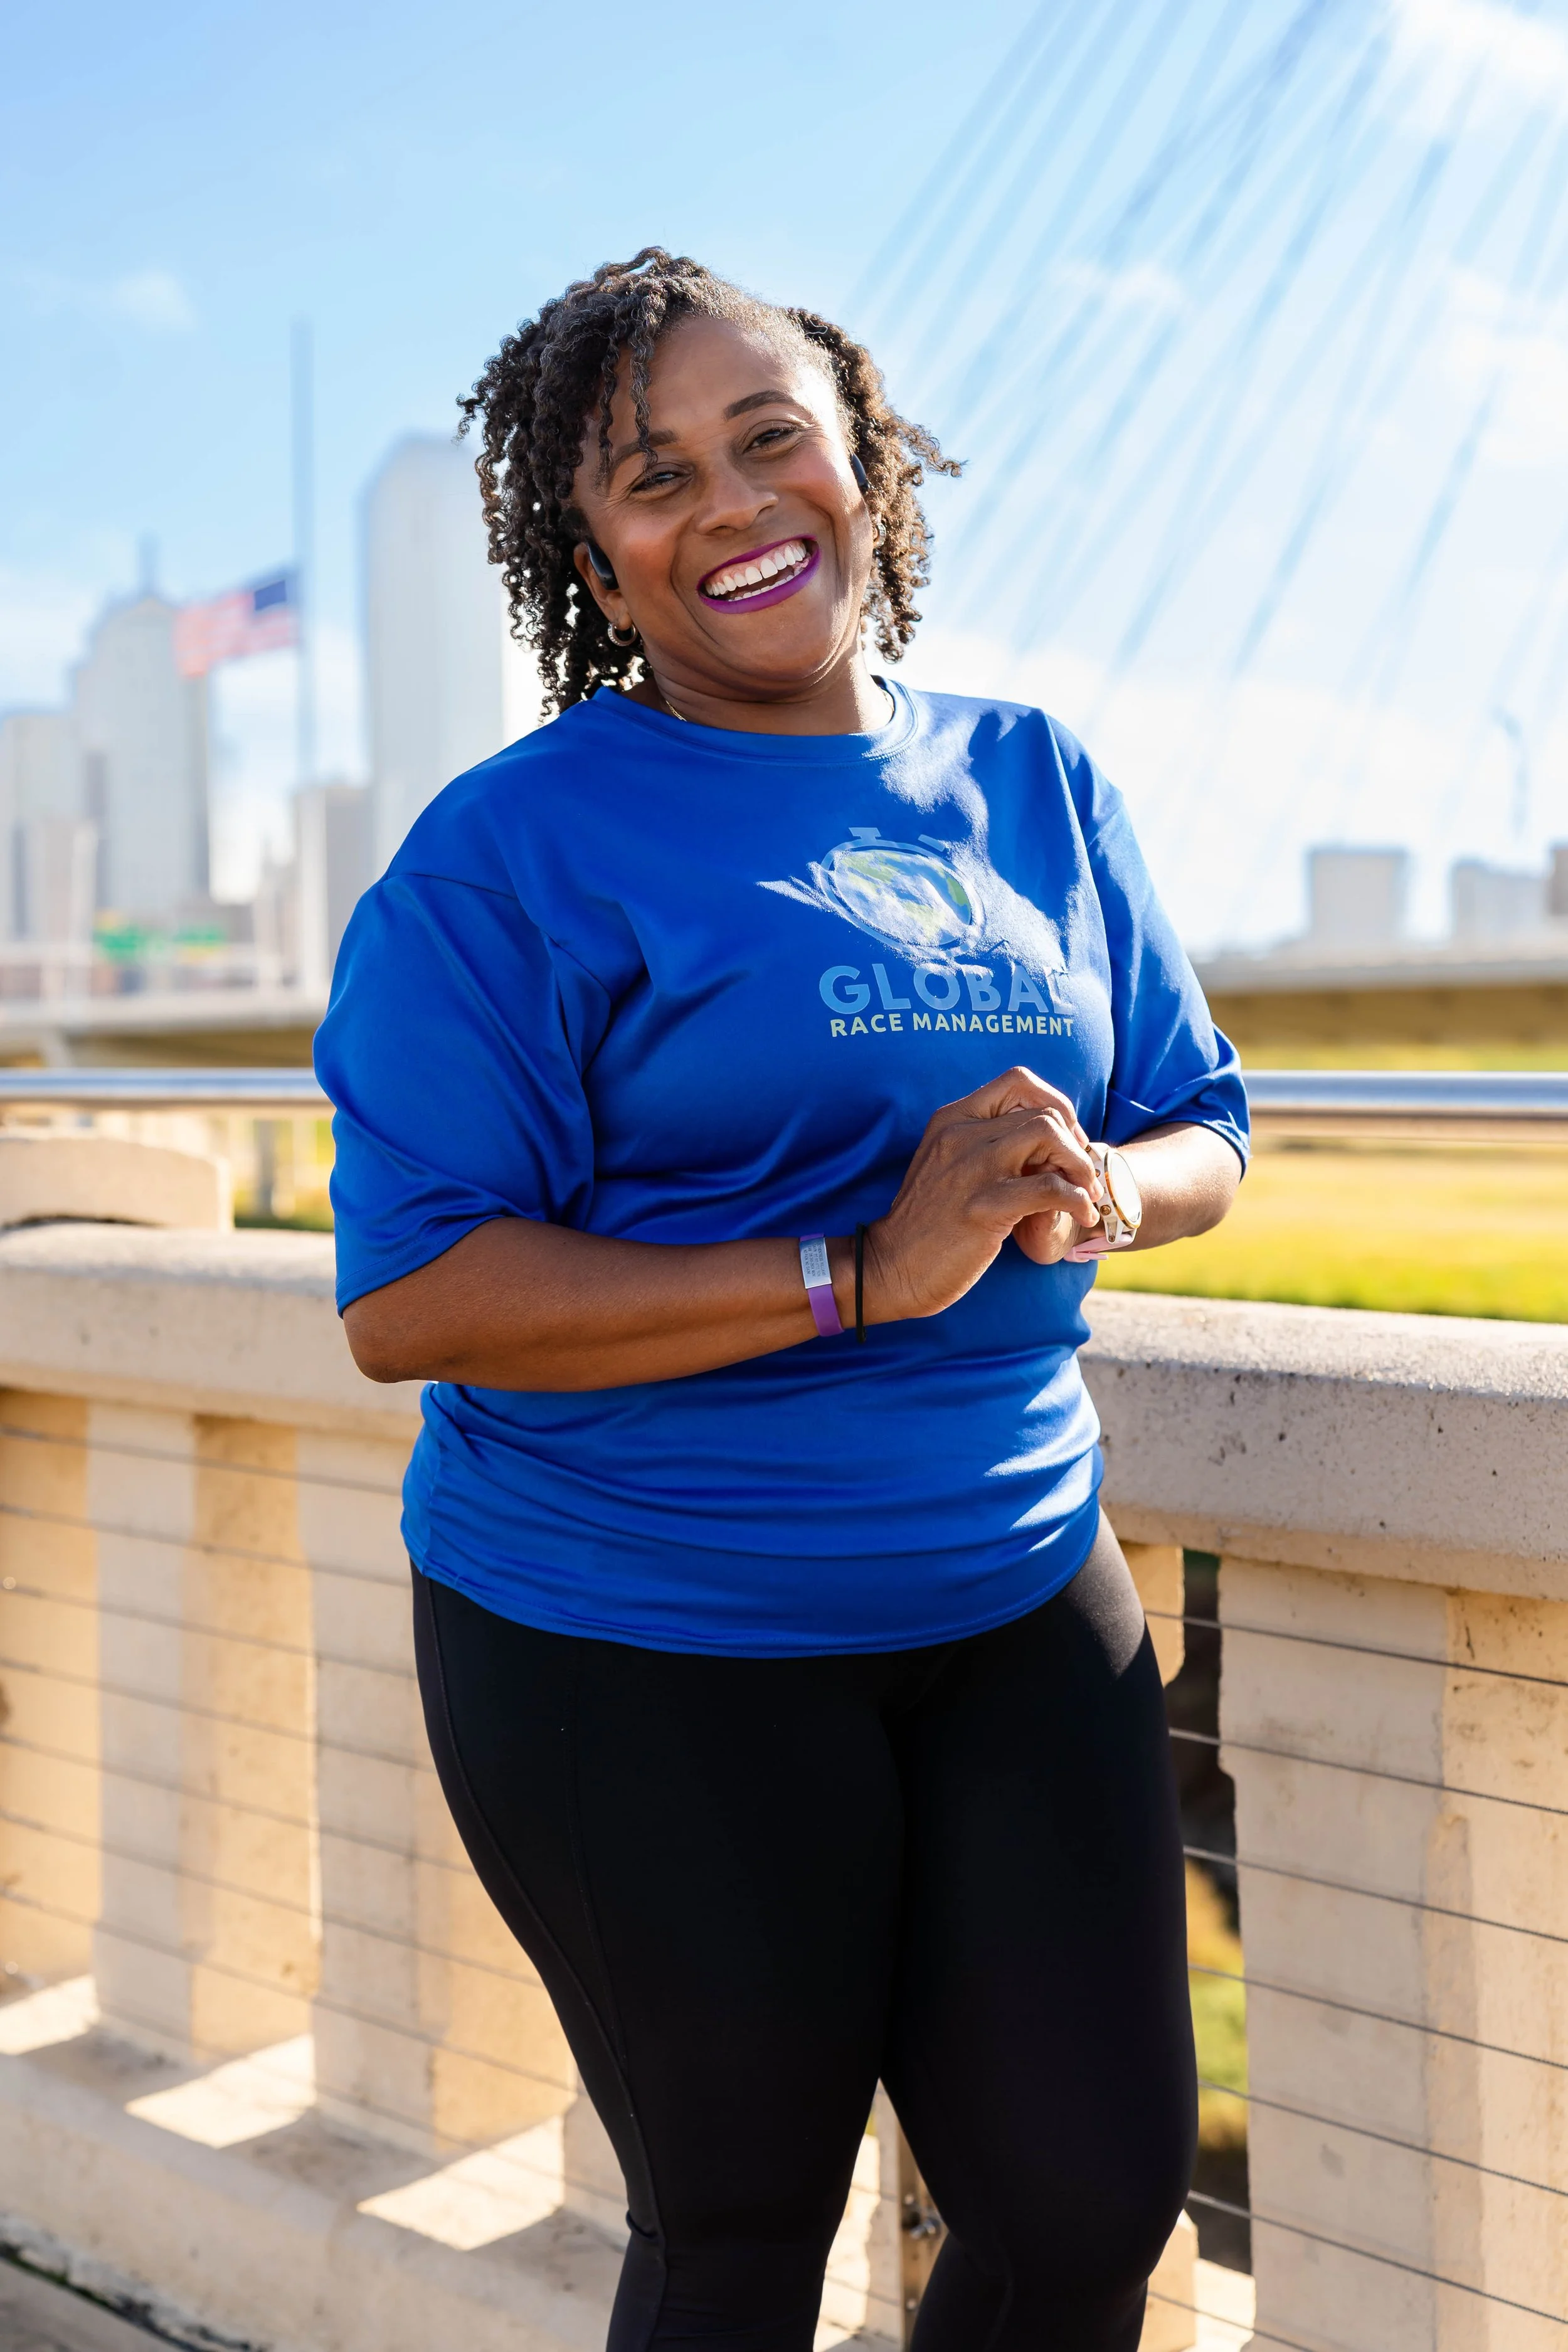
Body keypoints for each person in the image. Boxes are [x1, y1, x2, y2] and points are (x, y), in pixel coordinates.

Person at [315, 246, 1248, 2352]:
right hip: (638, 1635)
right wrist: (852, 1270)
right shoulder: (507, 858)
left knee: (1084, 2211)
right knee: (740, 2234)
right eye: (654, 478)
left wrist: (1108, 1190)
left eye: (772, 440)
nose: (731, 505)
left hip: (1015, 1585)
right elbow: (415, 1294)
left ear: (864, 470)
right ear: (595, 558)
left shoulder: (1038, 781)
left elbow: (1204, 1117)